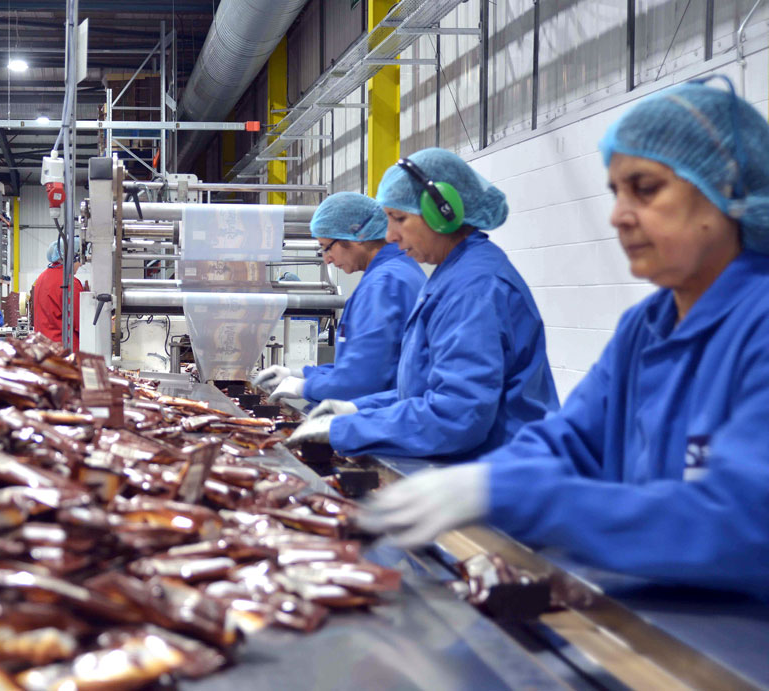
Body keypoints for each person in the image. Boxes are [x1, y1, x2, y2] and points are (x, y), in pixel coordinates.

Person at [359, 78, 769, 594]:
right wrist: (490, 481)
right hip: (665, 611)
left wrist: (533, 500)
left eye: (646, 189)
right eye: (616, 192)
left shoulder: (758, 324)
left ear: (727, 190)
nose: (619, 215)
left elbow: (746, 522)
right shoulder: (646, 326)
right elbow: (570, 439)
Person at [288, 148, 559, 460]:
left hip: (504, 473)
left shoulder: (474, 288)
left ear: (441, 212)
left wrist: (346, 429)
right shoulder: (453, 274)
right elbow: (424, 390)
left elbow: (457, 415)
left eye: (399, 219)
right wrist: (359, 408)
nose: (389, 236)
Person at [252, 192, 425, 405]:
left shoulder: (383, 284)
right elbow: (369, 365)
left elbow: (360, 382)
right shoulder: (400, 271)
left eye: (327, 247)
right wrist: (300, 374)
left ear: (357, 235)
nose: (327, 259)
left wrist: (304, 386)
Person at [32, 238, 84, 350]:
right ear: (72, 258)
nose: (80, 265)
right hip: (63, 350)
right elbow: (81, 323)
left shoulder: (42, 277)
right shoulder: (70, 282)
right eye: (79, 260)